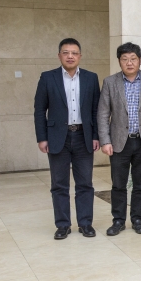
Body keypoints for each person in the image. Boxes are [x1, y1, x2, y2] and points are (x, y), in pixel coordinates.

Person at [34, 38, 100, 239]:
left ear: (80, 56)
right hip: (57, 138)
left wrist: (96, 136)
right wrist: (42, 137)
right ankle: (63, 225)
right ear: (59, 55)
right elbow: (39, 110)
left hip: (83, 136)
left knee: (85, 183)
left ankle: (85, 223)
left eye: (74, 53)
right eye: (66, 52)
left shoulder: (91, 78)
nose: (70, 56)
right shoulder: (48, 77)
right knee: (59, 184)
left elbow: (96, 110)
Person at [98, 42, 141, 236]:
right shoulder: (110, 82)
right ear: (119, 61)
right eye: (125, 59)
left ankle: (137, 219)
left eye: (133, 59)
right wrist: (105, 141)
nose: (129, 63)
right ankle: (118, 220)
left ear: (139, 60)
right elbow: (103, 114)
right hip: (119, 142)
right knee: (118, 185)